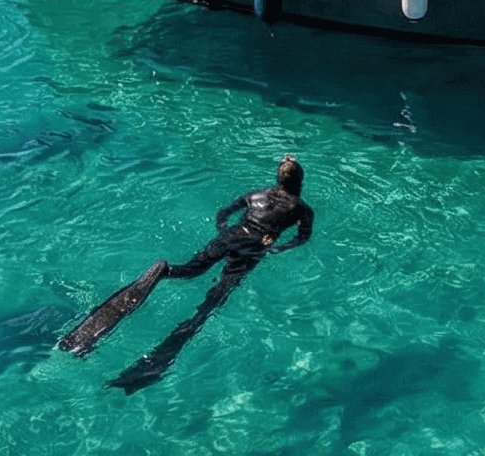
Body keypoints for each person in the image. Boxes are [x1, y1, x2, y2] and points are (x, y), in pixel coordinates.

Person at [59, 155, 314, 390]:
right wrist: (276, 248)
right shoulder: (302, 209)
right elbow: (302, 238)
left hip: (229, 237)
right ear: (300, 182)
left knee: (190, 271)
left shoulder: (255, 195)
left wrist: (224, 232)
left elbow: (223, 214)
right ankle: (169, 348)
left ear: (278, 179)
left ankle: (164, 270)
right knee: (214, 299)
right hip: (252, 250)